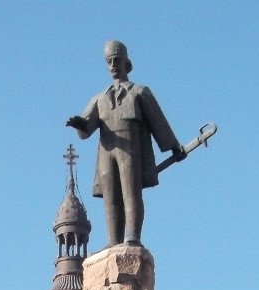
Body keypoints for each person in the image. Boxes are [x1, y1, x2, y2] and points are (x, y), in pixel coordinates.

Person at [67, 40, 185, 248]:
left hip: (131, 147)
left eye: (116, 60)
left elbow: (158, 121)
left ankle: (132, 236)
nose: (113, 65)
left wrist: (173, 145)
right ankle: (113, 241)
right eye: (109, 61)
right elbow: (86, 130)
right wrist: (80, 125)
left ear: (125, 63)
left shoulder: (138, 92)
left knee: (131, 192)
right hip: (107, 149)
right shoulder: (100, 98)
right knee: (111, 196)